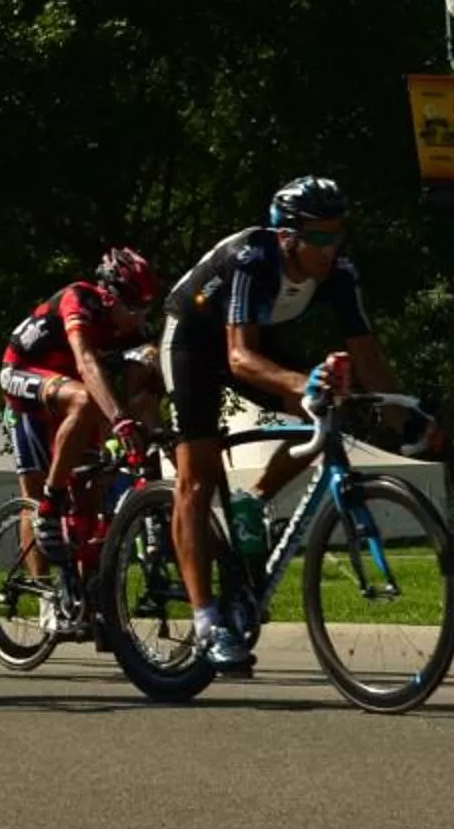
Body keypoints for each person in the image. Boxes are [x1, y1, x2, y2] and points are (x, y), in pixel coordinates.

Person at [159, 178, 429, 675]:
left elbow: (368, 355)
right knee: (196, 479)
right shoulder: (250, 257)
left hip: (250, 340)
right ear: (286, 237)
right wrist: (303, 382)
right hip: (194, 341)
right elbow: (239, 358)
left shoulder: (340, 272)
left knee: (324, 411)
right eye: (319, 238)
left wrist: (404, 417)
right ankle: (207, 623)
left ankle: (253, 501)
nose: (330, 250)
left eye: (337, 235)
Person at [0, 248, 165, 561]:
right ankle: (49, 505)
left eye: (146, 309)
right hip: (23, 371)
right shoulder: (79, 299)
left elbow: (143, 386)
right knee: (35, 488)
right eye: (132, 308)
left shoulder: (136, 328)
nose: (139, 317)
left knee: (87, 494)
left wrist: (158, 436)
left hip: (69, 384)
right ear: (109, 296)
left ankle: (87, 589)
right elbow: (87, 363)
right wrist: (120, 421)